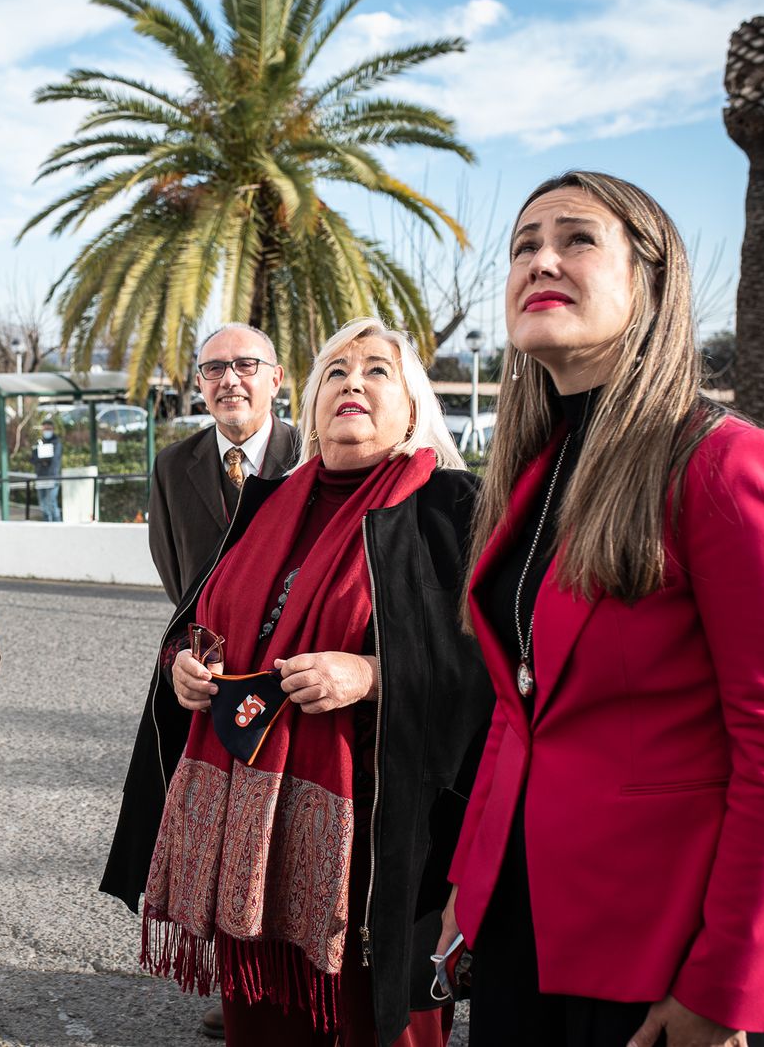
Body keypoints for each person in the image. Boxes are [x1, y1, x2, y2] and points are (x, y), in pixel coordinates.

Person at [438, 171, 764, 1047]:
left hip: (659, 955)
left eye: (577, 238)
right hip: (518, 930)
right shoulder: (531, 477)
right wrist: (472, 886)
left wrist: (728, 979)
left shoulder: (727, 468)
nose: (541, 258)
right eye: (523, 245)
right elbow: (520, 707)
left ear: (651, 282)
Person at [103, 318, 494, 1047]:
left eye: (377, 370)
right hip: (252, 850)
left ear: (412, 405)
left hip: (379, 855)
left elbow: (490, 679)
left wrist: (375, 675)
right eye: (337, 371)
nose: (352, 382)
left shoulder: (450, 507)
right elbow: (200, 621)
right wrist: (188, 666)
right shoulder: (262, 505)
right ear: (311, 403)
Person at [148, 323, 302, 605]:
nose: (229, 380)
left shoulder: (310, 457)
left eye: (246, 365)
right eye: (214, 368)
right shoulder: (171, 466)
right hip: (205, 643)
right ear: (200, 384)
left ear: (275, 380)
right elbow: (171, 568)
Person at [33, 420, 62, 521]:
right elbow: (34, 458)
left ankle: (57, 525)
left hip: (52, 477)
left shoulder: (56, 442)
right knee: (43, 504)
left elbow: (53, 460)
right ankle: (47, 524)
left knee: (52, 502)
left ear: (53, 429)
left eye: (49, 429)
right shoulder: (39, 442)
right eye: (45, 429)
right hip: (40, 477)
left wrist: (44, 460)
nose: (47, 431)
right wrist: (43, 460)